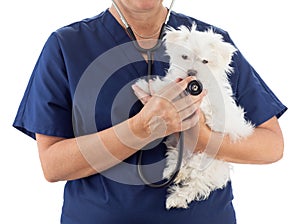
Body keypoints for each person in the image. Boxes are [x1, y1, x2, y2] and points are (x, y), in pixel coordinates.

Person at [13, 0, 287, 223]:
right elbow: (52, 165)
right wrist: (140, 128)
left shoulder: (211, 43)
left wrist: (200, 138)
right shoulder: (66, 46)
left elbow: (271, 145)